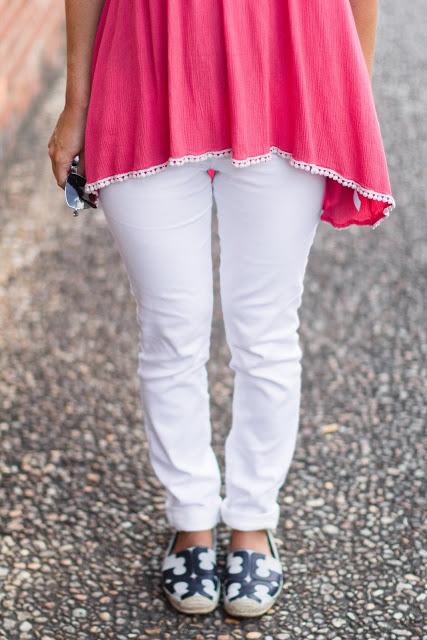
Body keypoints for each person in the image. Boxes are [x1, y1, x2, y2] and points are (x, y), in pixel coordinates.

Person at [48, 0, 395, 617]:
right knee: (169, 329)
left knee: (263, 330)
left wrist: (347, 91)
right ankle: (190, 519)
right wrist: (77, 99)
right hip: (142, 69)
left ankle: (253, 521)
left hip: (289, 68)